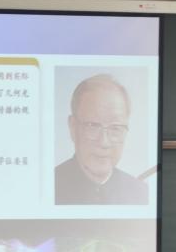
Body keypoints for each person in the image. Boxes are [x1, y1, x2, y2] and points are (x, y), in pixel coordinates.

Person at [55, 75, 148, 205]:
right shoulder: (48, 185)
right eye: (92, 126)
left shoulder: (141, 193)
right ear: (73, 127)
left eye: (115, 128)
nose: (104, 142)